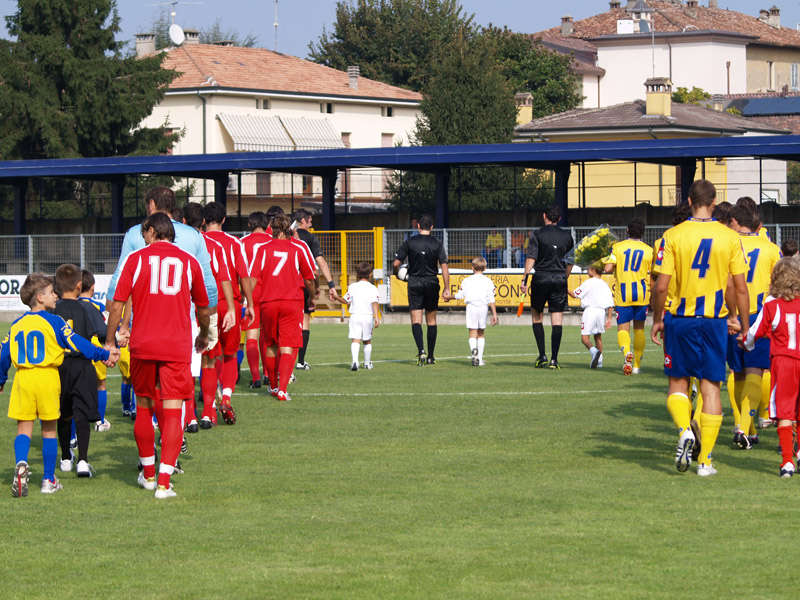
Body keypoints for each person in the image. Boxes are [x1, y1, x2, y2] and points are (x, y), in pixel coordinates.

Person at [106, 213, 211, 499]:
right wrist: (203, 333)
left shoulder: (136, 260)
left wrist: (109, 340)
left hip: (143, 344)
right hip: (176, 346)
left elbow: (117, 304)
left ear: (152, 231)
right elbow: (203, 307)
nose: (143, 238)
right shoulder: (189, 262)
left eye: (145, 233)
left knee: (143, 407)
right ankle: (164, 482)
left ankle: (149, 476)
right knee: (173, 411)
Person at [651, 180, 749, 477]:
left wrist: (657, 319)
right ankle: (705, 461)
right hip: (714, 321)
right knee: (711, 388)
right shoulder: (729, 237)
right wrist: (742, 323)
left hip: (680, 319)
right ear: (715, 201)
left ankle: (684, 430)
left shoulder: (672, 236)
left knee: (678, 383)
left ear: (690, 201)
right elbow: (739, 287)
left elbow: (661, 285)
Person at [0, 274, 116, 497]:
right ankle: (47, 479)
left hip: (23, 378)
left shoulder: (16, 324)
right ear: (40, 297)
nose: (55, 295)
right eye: (51, 292)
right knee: (49, 430)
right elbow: (78, 343)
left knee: (24, 428)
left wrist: (1, 380)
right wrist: (103, 354)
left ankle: (22, 463)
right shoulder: (54, 322)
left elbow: (3, 356)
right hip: (47, 377)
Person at [726, 203, 781, 450]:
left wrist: (730, 314)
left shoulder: (728, 245)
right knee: (756, 371)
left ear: (736, 222)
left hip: (732, 315)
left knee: (736, 372)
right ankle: (746, 427)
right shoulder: (771, 249)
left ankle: (743, 426)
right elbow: (780, 286)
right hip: (761, 315)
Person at [249, 214, 316, 401]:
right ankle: (283, 389)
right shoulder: (297, 248)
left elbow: (252, 278)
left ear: (271, 229)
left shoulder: (263, 249)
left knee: (270, 343)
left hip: (268, 302)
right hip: (291, 302)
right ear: (289, 229)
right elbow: (309, 278)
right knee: (288, 345)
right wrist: (312, 296)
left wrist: (248, 301)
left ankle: (272, 384)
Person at [743, 257, 800, 477]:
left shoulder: (772, 305)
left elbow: (754, 333)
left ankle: (787, 462)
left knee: (785, 411)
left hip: (784, 362)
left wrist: (746, 344)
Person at [53, 264, 109, 478]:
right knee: (81, 415)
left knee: (63, 414)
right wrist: (112, 344)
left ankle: (66, 457)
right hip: (82, 366)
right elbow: (102, 333)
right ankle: (83, 461)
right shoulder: (87, 309)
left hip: (58, 368)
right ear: (79, 285)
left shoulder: (52, 309)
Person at [203, 201, 255, 425]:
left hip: (205, 306)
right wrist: (249, 303)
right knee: (230, 355)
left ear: (204, 221)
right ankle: (226, 396)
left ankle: (208, 410)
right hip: (230, 305)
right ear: (224, 220)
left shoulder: (198, 241)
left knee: (208, 358)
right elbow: (243, 275)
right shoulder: (234, 243)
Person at [184, 202, 235, 429]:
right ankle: (207, 413)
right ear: (203, 222)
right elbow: (224, 278)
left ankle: (189, 416)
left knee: (187, 363)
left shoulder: (178, 244)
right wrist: (232, 308)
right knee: (209, 358)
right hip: (208, 309)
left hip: (185, 310)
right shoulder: (213, 244)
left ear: (182, 221)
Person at [520, 204, 574, 370]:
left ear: (544, 216)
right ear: (559, 219)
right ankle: (554, 360)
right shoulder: (567, 236)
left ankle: (542, 355)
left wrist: (525, 279)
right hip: (559, 278)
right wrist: (564, 277)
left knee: (537, 316)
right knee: (557, 319)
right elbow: (571, 260)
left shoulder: (537, 234)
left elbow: (531, 258)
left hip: (541, 278)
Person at [392, 214, 451, 365]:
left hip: (415, 283)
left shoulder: (409, 242)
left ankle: (421, 352)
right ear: (432, 227)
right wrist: (447, 288)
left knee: (416, 320)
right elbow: (444, 267)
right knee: (431, 320)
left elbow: (396, 263)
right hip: (432, 283)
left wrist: (398, 274)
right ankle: (431, 356)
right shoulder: (437, 243)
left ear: (418, 226)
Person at [604, 219, 653, 375]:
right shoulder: (649, 250)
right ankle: (637, 366)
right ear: (643, 232)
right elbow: (655, 273)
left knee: (623, 329)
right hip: (642, 293)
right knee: (639, 330)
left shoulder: (618, 248)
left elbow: (607, 268)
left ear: (627, 230)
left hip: (623, 294)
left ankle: (627, 354)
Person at [293, 208, 338, 370]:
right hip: (304, 284)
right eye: (310, 221)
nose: (311, 224)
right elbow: (321, 262)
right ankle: (300, 361)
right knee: (304, 320)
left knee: (287, 322)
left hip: (285, 282)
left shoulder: (287, 235)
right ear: (303, 221)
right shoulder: (311, 238)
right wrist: (331, 285)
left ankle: (284, 363)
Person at [240, 208, 278, 387]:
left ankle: (255, 376)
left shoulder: (241, 242)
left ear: (250, 224)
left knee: (252, 336)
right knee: (269, 337)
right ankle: (269, 375)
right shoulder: (274, 241)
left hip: (250, 293)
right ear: (267, 225)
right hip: (270, 293)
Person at [331, 261, 381, 371]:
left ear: (357, 274)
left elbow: (345, 301)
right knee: (367, 340)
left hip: (355, 316)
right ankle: (367, 363)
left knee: (355, 340)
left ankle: (355, 362)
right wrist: (376, 317)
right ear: (370, 274)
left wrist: (336, 297)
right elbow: (375, 302)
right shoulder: (372, 288)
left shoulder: (353, 287)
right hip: (367, 316)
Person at [78, 270, 110, 432]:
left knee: (77, 387)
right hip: (96, 346)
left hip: (77, 348)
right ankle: (100, 421)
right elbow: (105, 328)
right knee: (100, 384)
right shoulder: (98, 306)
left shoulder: (72, 305)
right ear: (93, 288)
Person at [454, 257, 498, 366]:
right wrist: (494, 314)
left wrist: (449, 297)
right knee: (481, 333)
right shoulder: (488, 281)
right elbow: (491, 299)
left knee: (472, 332)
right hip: (483, 307)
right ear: (485, 268)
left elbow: (460, 295)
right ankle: (480, 358)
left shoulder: (466, 280)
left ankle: (474, 351)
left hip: (471, 307)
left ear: (472, 268)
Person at [570, 263, 614, 369]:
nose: (587, 270)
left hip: (590, 311)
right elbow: (610, 304)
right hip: (601, 312)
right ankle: (600, 361)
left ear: (593, 270)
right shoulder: (604, 284)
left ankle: (594, 352)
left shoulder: (589, 282)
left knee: (584, 338)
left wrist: (563, 288)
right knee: (598, 337)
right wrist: (609, 318)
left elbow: (575, 294)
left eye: (589, 268)